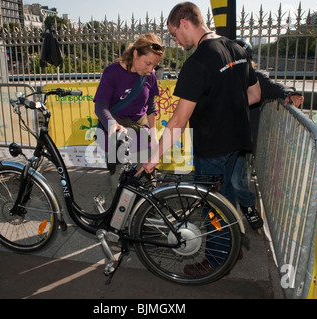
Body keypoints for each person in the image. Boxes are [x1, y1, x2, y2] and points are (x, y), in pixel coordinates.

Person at [139, 2, 261, 226]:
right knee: (225, 195)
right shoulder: (238, 49)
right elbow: (254, 94)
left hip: (212, 146)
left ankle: (217, 259)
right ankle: (232, 244)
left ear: (184, 23)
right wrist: (225, 105)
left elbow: (178, 121)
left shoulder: (197, 62)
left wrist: (153, 159)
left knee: (211, 204)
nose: (175, 40)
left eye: (173, 34)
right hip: (238, 140)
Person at [230, 39, 305, 229]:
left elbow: (275, 87)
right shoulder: (222, 77)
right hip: (220, 138)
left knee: (235, 180)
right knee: (221, 182)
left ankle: (247, 206)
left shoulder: (255, 78)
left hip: (241, 141)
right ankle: (226, 220)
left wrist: (290, 93)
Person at [93, 33, 165, 192]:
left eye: (154, 66)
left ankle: (145, 215)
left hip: (142, 134)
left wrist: (153, 135)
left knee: (148, 187)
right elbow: (100, 106)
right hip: (118, 137)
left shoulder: (150, 75)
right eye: (147, 63)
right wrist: (111, 124)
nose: (150, 69)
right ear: (135, 53)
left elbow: (151, 106)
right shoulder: (112, 72)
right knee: (120, 188)